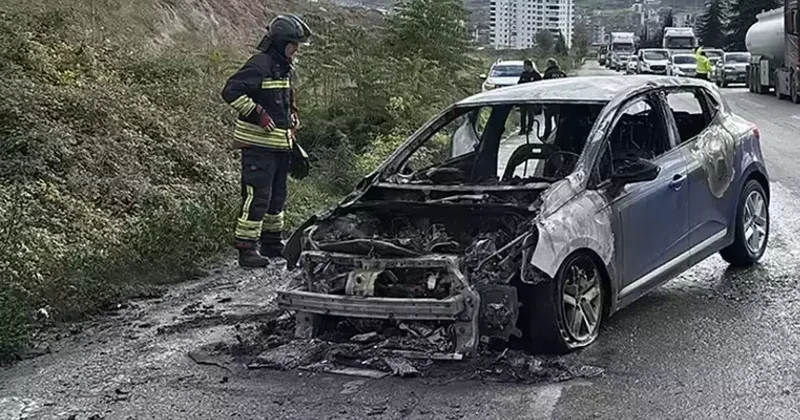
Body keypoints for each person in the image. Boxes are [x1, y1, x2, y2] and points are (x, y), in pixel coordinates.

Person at [221, 14, 312, 268]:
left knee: (277, 196)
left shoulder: (283, 68)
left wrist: (292, 116)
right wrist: (257, 113)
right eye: (293, 45)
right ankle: (247, 248)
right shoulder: (260, 64)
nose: (296, 50)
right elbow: (231, 91)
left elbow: (283, 100)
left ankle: (271, 242)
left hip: (280, 146)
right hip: (258, 147)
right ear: (281, 43)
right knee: (257, 196)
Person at [542, 58, 567, 139]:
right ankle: (560, 135)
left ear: (549, 64)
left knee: (548, 121)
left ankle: (547, 135)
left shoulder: (548, 74)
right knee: (558, 121)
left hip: (549, 100)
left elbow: (544, 87)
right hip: (560, 101)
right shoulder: (562, 73)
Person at [517, 60, 542, 135]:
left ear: (529, 66)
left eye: (525, 66)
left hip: (531, 97)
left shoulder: (536, 75)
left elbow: (540, 86)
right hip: (523, 97)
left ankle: (529, 128)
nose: (524, 68)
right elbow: (519, 84)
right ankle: (523, 128)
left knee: (530, 113)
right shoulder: (524, 74)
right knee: (523, 114)